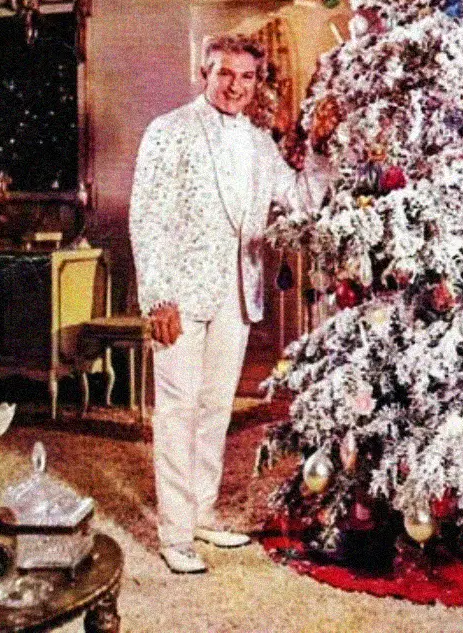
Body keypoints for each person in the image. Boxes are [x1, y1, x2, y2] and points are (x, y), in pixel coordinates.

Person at [129, 34, 327, 574]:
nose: (235, 86)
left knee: (216, 408)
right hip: (181, 296)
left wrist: (325, 148)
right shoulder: (169, 131)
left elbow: (303, 197)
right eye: (225, 74)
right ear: (204, 72)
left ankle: (201, 512)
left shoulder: (259, 141)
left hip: (238, 294)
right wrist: (158, 298)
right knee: (176, 411)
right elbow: (146, 218)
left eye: (246, 77)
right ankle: (174, 536)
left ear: (256, 80)